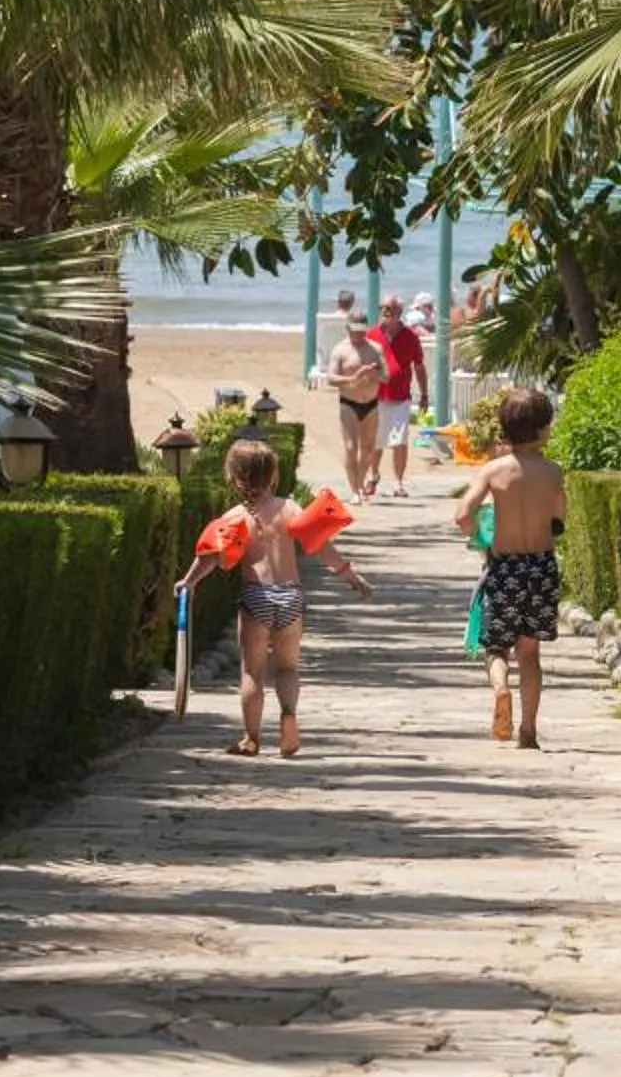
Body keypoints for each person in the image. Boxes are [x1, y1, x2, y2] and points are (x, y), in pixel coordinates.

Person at [176, 436, 370, 759]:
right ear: (275, 476)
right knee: (287, 668)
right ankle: (289, 715)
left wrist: (189, 582)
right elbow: (321, 546)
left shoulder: (235, 517)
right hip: (291, 596)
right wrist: (350, 575)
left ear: (235, 478)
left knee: (252, 671)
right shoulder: (290, 508)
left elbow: (210, 555)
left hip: (257, 596)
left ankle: (251, 738)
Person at [454, 385, 565, 749]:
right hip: (541, 567)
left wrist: (480, 538)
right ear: (542, 430)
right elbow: (559, 520)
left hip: (504, 568)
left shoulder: (493, 470)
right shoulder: (552, 472)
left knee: (496, 647)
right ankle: (529, 730)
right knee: (530, 653)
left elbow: (462, 515)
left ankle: (501, 689)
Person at [372, 290, 430, 500]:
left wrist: (424, 394)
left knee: (399, 440)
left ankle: (398, 482)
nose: (386, 312)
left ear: (400, 311)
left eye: (390, 308)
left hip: (400, 398)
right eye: (383, 308)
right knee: (376, 441)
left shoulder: (410, 336)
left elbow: (419, 367)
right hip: (375, 397)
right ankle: (373, 475)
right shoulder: (372, 335)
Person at [324, 305, 385, 498]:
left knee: (368, 448)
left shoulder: (375, 349)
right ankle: (353, 489)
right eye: (354, 332)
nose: (358, 336)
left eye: (361, 332)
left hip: (371, 403)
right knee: (351, 447)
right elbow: (331, 378)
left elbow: (387, 376)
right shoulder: (340, 350)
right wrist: (353, 378)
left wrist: (374, 372)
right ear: (347, 329)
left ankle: (359, 483)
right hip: (349, 402)